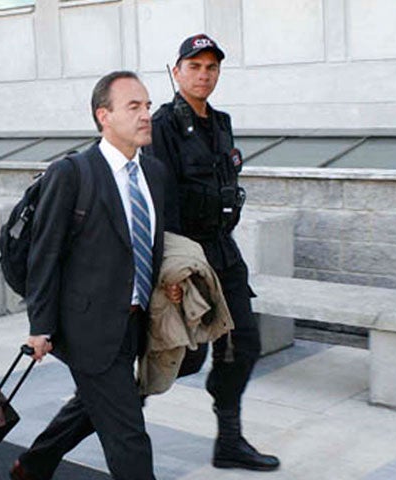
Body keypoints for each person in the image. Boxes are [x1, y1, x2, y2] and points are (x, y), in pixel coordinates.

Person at [10, 71, 173, 480]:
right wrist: (40, 327)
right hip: (87, 327)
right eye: (133, 106)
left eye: (147, 106)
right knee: (128, 435)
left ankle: (33, 465)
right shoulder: (72, 173)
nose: (146, 115)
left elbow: (149, 244)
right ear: (104, 116)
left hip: (135, 322)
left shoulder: (154, 174)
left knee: (96, 402)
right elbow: (45, 254)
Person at [147, 34, 280, 471]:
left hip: (224, 252)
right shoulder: (162, 126)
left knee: (243, 346)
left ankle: (229, 442)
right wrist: (170, 273)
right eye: (195, 66)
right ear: (176, 71)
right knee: (179, 358)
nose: (204, 75)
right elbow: (161, 204)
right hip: (187, 257)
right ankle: (98, 414)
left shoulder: (221, 123)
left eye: (211, 67)